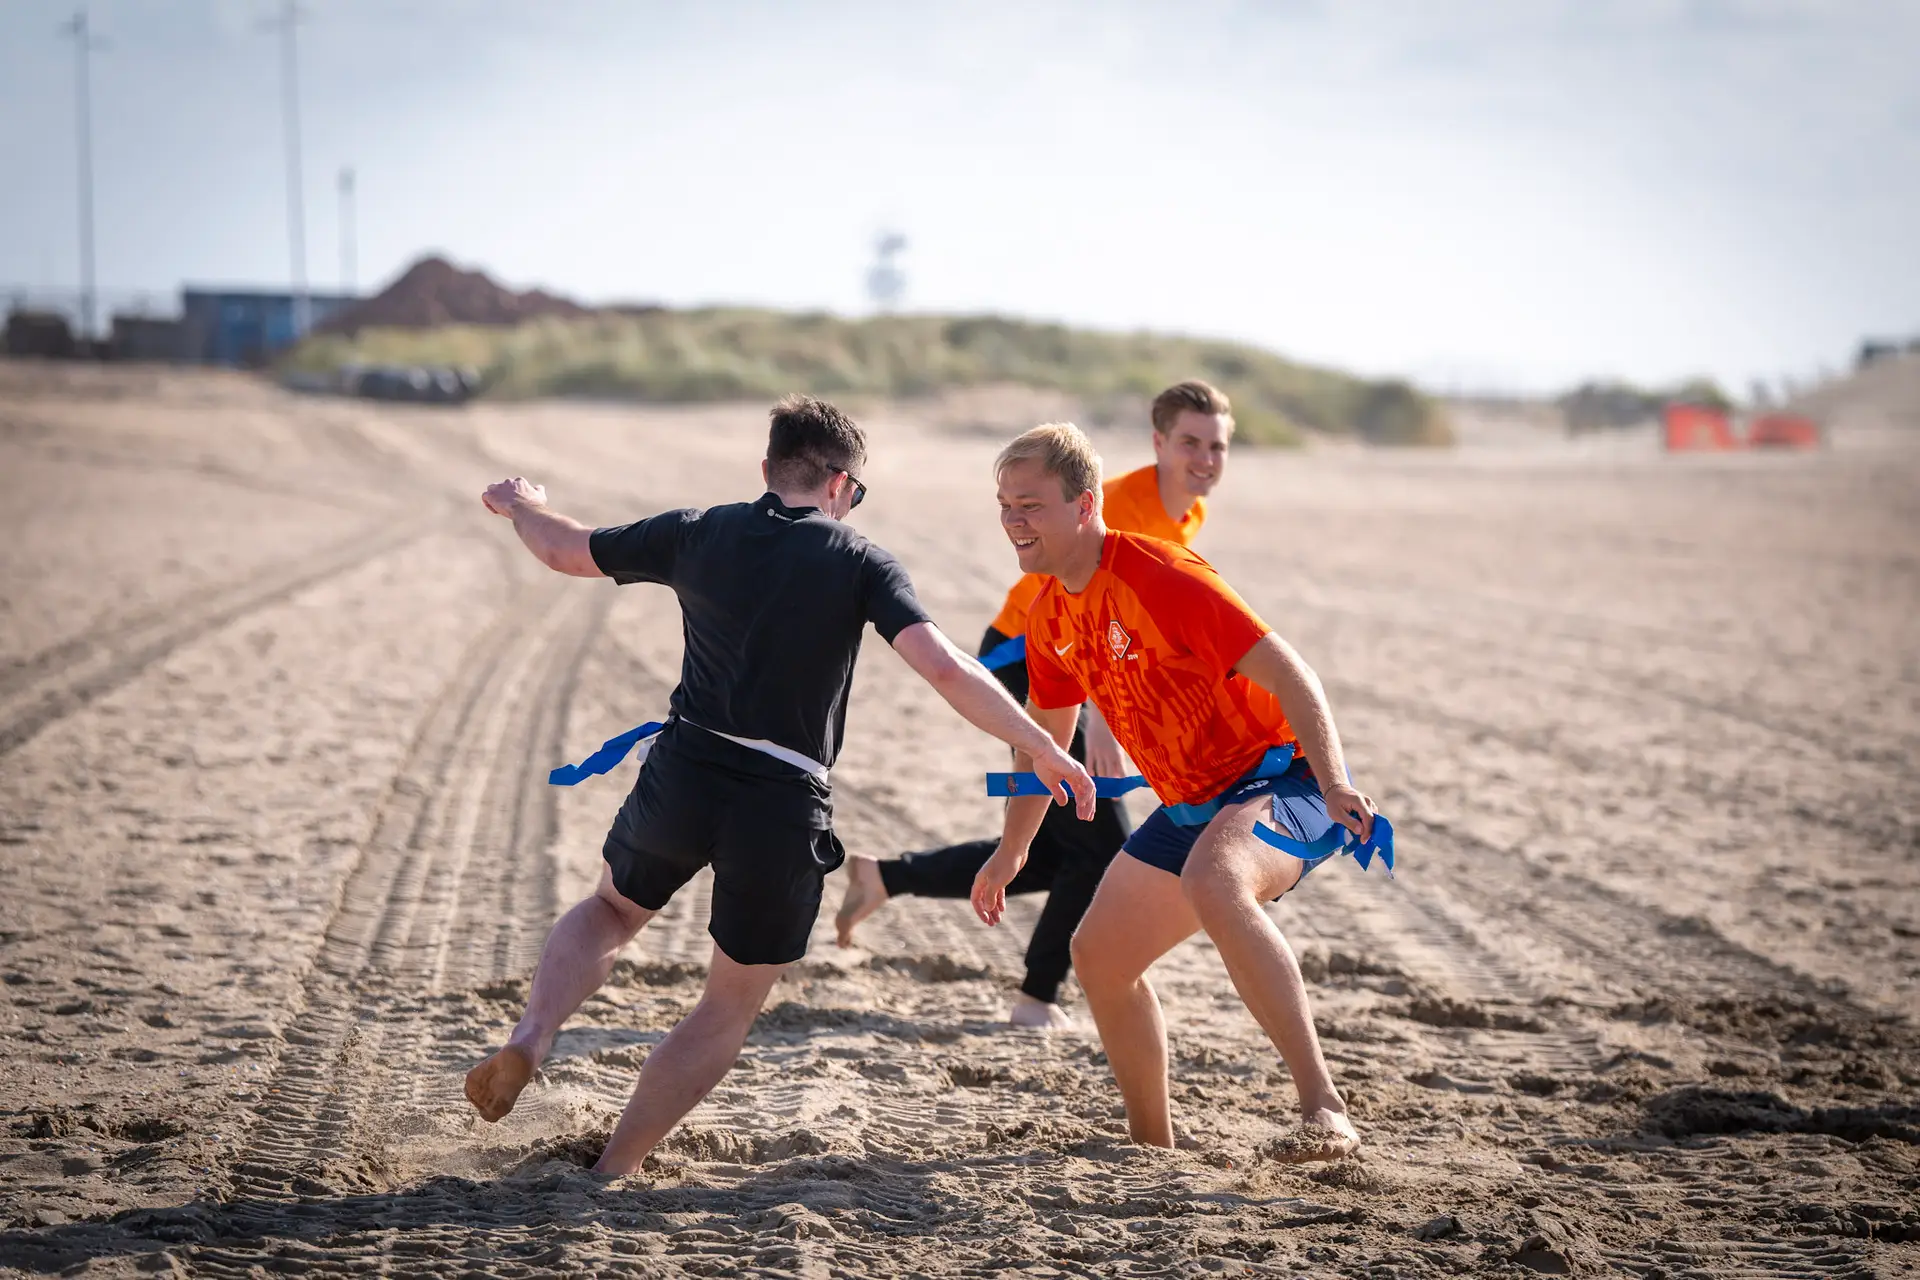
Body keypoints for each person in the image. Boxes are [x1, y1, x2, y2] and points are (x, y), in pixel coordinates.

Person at [462, 396, 1094, 1176]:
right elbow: (943, 667)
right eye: (855, 496)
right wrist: (1040, 745)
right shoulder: (858, 560)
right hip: (782, 798)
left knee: (612, 909)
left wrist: (520, 503)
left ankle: (530, 1039)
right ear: (841, 485)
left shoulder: (699, 530)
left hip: (686, 768)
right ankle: (611, 1169)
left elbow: (565, 550)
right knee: (727, 1006)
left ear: (768, 470)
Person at [971, 422, 1379, 1162]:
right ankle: (1152, 1150)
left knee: (1215, 879)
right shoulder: (1048, 612)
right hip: (1192, 805)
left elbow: (1294, 675)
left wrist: (1333, 778)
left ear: (1085, 504)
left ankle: (1326, 1110)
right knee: (1096, 955)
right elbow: (1043, 747)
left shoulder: (1160, 574)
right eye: (1004, 505)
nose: (1013, 521)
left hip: (1283, 782)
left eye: (1029, 504)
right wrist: (1010, 851)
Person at [834, 381, 1235, 1029]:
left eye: (1217, 446)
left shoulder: (1188, 514)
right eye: (1189, 442)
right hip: (1036, 656)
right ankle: (1036, 997)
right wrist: (1101, 720)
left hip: (1085, 662)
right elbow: (1099, 608)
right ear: (1158, 443)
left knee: (1057, 848)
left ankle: (885, 878)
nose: (1205, 458)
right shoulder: (1127, 503)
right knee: (1100, 844)